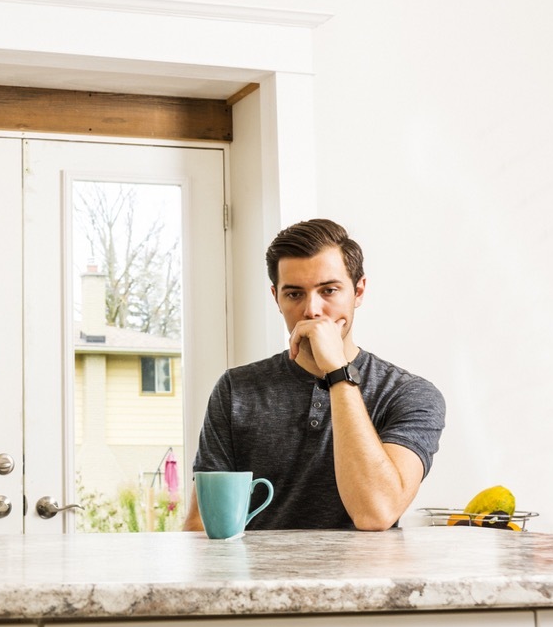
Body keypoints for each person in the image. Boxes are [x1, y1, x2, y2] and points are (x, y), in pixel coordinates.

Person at [183, 218, 445, 532]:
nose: (312, 310)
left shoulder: (408, 394)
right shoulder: (236, 389)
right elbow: (201, 522)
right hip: (258, 580)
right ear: (276, 298)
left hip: (364, 581)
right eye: (294, 294)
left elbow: (376, 512)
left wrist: (338, 372)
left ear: (358, 291)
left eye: (329, 290)